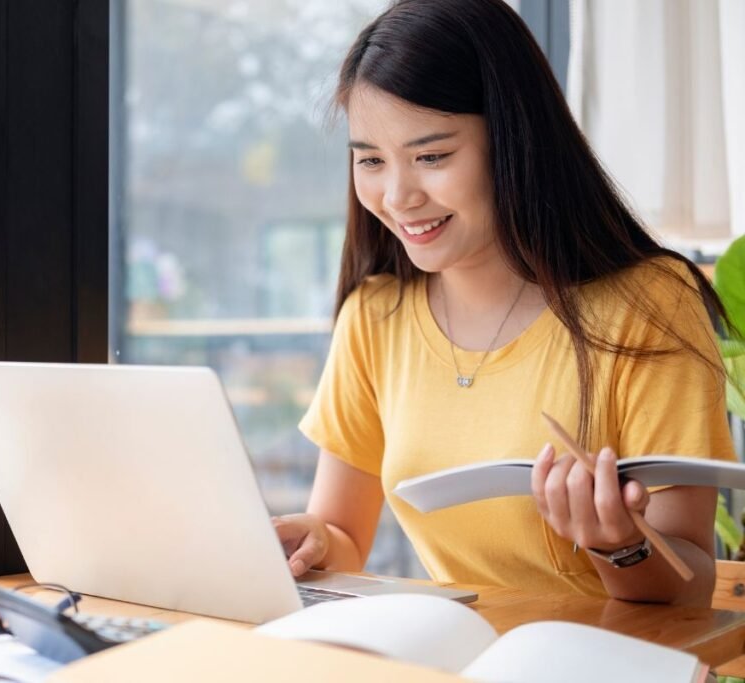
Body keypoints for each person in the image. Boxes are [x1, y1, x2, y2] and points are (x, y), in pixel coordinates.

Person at [273, 0, 736, 606]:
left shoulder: (647, 303)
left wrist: (619, 544)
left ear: (515, 140)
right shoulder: (376, 314)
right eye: (371, 161)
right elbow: (341, 536)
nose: (397, 195)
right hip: (460, 656)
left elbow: (692, 584)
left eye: (432, 156)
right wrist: (304, 542)